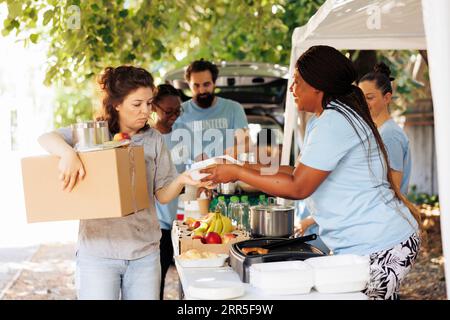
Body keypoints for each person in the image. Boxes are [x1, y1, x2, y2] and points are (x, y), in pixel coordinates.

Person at [200, 45, 421, 300]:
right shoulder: (329, 116)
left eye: (296, 82)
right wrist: (236, 165)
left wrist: (237, 172)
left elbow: (298, 187)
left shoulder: (335, 120)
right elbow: (298, 171)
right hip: (366, 241)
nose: (292, 89)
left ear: (317, 86)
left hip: (380, 242)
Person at [38, 66, 201, 300]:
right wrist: (68, 154)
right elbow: (46, 138)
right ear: (116, 104)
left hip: (144, 253)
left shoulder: (154, 139)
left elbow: (163, 194)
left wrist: (183, 179)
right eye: (137, 104)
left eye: (149, 103)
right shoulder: (94, 133)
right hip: (98, 253)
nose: (146, 111)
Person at [169, 59, 249, 170]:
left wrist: (231, 153)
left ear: (214, 83)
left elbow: (245, 142)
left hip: (226, 177)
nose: (201, 90)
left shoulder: (234, 108)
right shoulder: (179, 112)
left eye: (206, 84)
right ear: (188, 85)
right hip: (192, 178)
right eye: (196, 85)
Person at [149, 84, 184, 299]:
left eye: (177, 111)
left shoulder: (183, 135)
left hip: (175, 222)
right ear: (153, 107)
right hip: (154, 225)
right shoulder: (149, 139)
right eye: (168, 111)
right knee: (154, 285)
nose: (173, 116)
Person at [358, 62, 412, 195]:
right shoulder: (376, 131)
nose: (363, 103)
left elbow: (393, 189)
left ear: (387, 97)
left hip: (384, 213)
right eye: (360, 98)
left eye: (369, 98)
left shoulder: (389, 135)